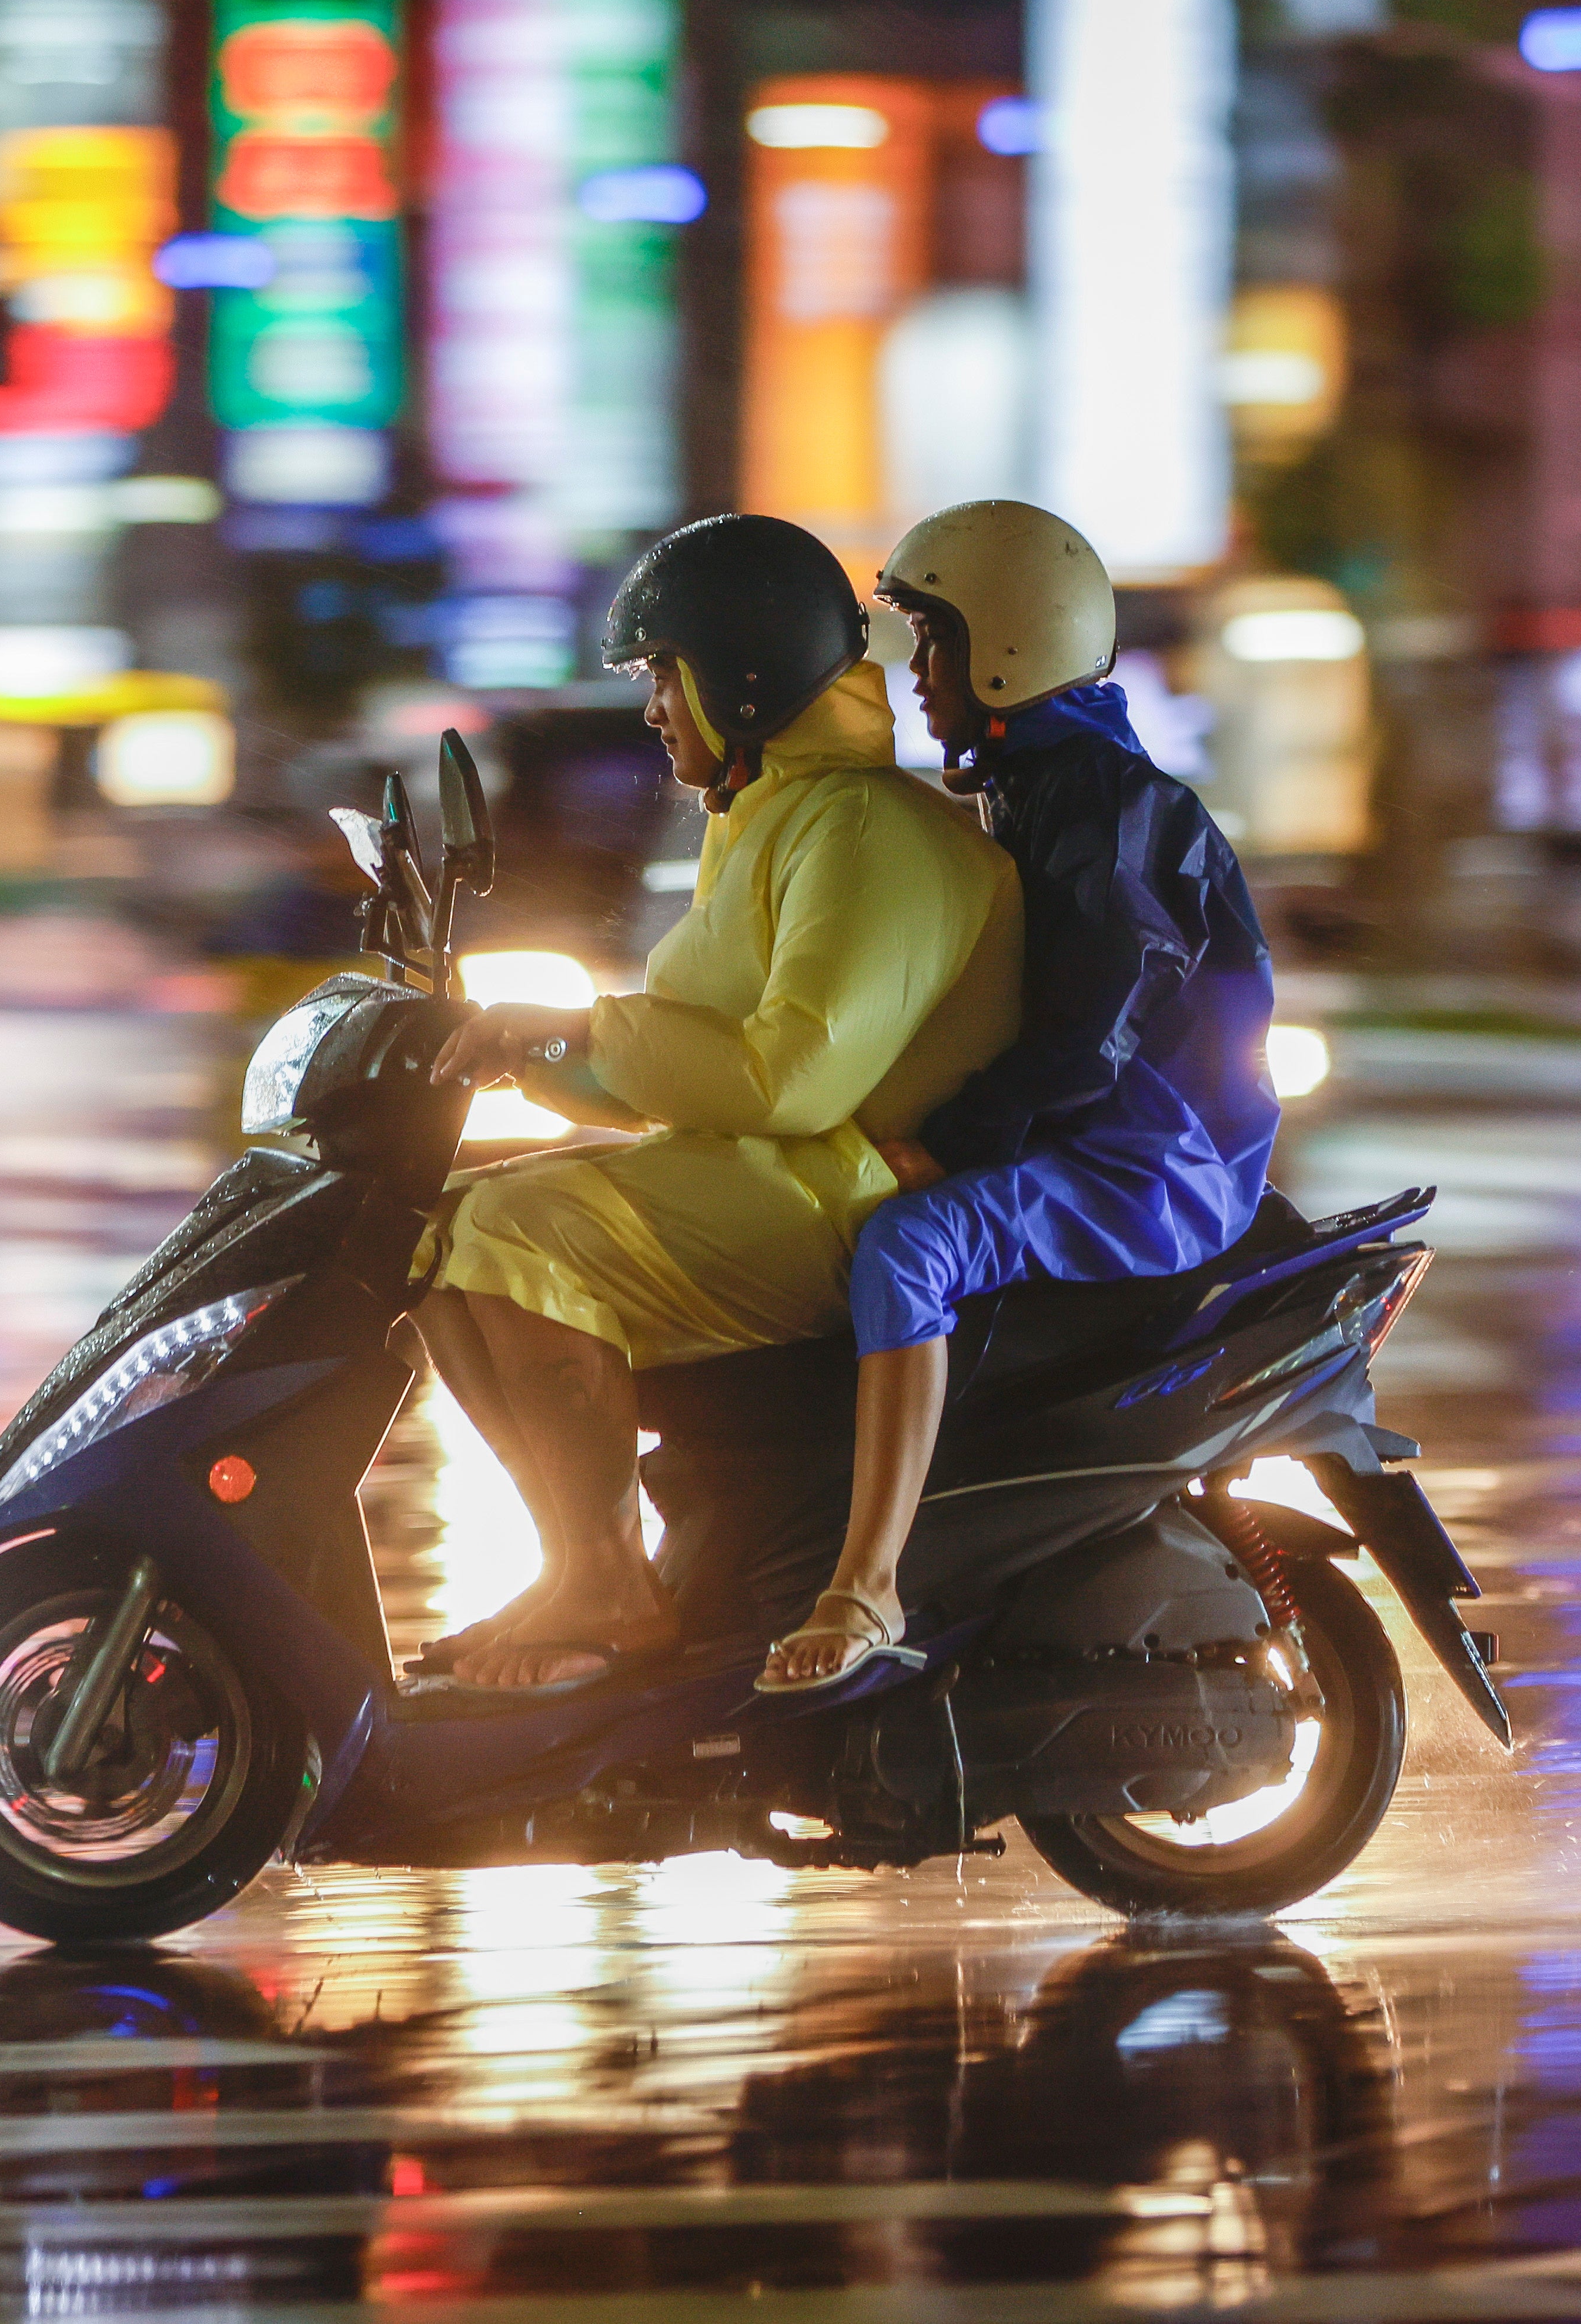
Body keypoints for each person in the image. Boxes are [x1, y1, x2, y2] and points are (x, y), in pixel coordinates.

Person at [424, 514, 1020, 1694]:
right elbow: (700, 1067)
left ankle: (606, 1580)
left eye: (663, 675)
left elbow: (788, 1079)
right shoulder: (767, 819)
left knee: (511, 1233)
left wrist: (592, 1029)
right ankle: (582, 1562)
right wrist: (533, 1063)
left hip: (848, 1195)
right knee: (436, 1222)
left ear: (738, 677)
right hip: (779, 1177)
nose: (653, 708)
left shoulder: (865, 829)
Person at [760, 502, 1280, 1693]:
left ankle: (868, 1584)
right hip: (1108, 1144)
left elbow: (1089, 1033)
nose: (917, 677)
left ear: (1009, 645)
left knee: (906, 1246)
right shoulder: (1035, 786)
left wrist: (953, 1142)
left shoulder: (1101, 803)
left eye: (933, 644)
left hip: (1150, 1165)